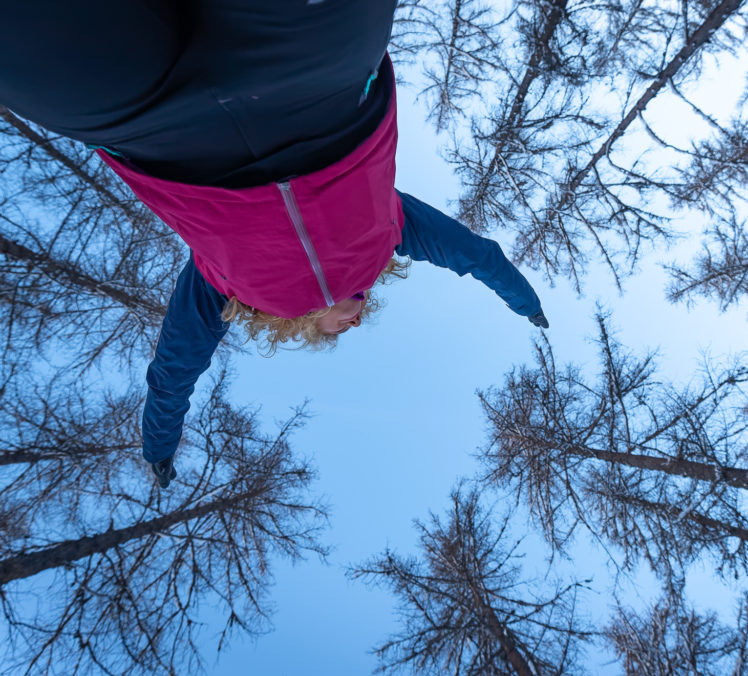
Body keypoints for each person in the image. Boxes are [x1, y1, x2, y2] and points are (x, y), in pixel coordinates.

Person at [0, 1, 548, 488]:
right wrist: (526, 301)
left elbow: (175, 369)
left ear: (307, 328)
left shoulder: (228, 288)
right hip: (315, 82)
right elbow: (475, 256)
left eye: (338, 333)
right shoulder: (388, 236)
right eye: (361, 318)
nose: (355, 321)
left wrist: (159, 446)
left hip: (148, 127)